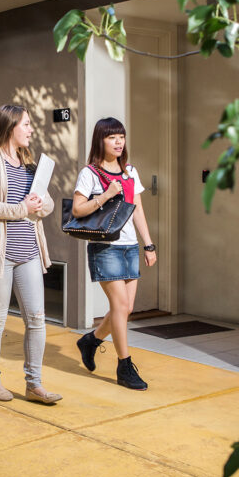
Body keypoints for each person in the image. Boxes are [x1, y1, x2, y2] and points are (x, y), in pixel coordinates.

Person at [0, 104, 62, 404]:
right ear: (9, 126)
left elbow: (46, 207)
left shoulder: (30, 164)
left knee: (36, 319)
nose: (32, 129)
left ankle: (34, 385)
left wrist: (39, 204)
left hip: (29, 251)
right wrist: (22, 208)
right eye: (27, 124)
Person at [72, 117, 158, 390]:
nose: (119, 141)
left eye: (121, 136)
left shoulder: (131, 171)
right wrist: (107, 194)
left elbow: (138, 210)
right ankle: (124, 366)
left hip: (130, 247)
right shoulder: (90, 173)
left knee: (126, 308)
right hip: (105, 247)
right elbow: (77, 210)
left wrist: (148, 243)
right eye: (112, 137)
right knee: (120, 307)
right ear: (101, 141)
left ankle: (91, 341)